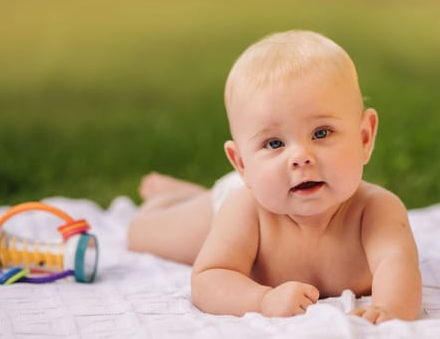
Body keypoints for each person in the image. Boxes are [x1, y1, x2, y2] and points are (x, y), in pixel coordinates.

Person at [128, 30, 421, 324]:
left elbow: (397, 263)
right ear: (241, 164)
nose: (300, 157)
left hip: (269, 185)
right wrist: (263, 299)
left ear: (364, 137)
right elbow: (208, 279)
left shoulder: (376, 210)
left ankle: (193, 191)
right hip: (230, 202)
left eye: (321, 133)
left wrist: (390, 309)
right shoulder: (244, 210)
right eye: (274, 143)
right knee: (141, 234)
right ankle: (177, 197)